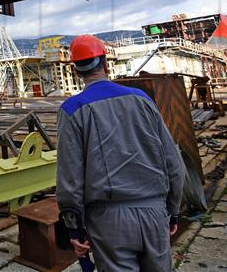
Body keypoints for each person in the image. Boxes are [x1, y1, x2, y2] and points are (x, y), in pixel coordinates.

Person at [56, 35, 185, 272]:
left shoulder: (72, 110)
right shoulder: (142, 99)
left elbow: (69, 179)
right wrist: (173, 211)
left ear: (76, 71)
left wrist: (74, 228)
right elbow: (173, 164)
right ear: (105, 64)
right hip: (154, 212)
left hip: (108, 222)